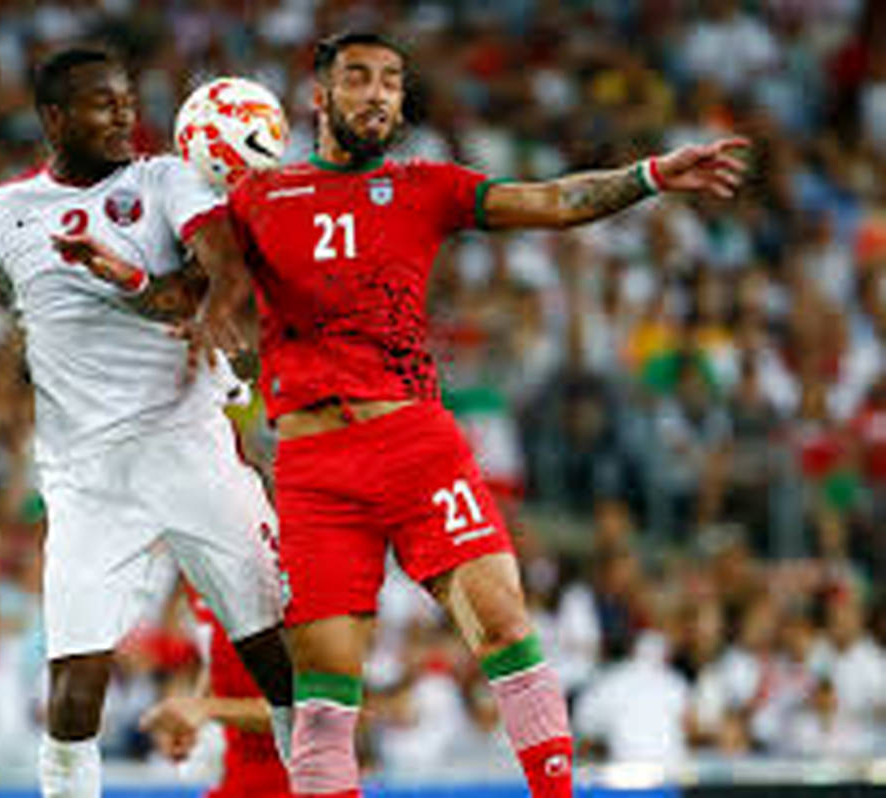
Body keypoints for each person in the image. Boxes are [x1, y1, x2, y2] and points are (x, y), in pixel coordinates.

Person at [225, 32, 746, 798]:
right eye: (358, 78)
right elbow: (196, 287)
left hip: (412, 443)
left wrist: (650, 176)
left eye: (391, 81)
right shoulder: (257, 196)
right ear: (319, 97)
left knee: (502, 622)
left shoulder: (424, 185)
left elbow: (554, 200)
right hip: (312, 468)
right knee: (326, 696)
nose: (378, 94)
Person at [0, 46, 294, 798]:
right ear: (54, 118)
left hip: (189, 443)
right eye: (104, 103)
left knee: (272, 651)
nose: (124, 116)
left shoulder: (166, 178)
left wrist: (212, 314)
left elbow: (223, 265)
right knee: (74, 683)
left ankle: (323, 783)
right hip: (85, 473)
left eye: (128, 100)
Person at [141, 587, 292, 798]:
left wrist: (207, 708)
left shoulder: (284, 581)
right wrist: (189, 717)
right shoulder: (200, 580)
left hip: (299, 779)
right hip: (238, 773)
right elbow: (216, 660)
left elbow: (308, 711)